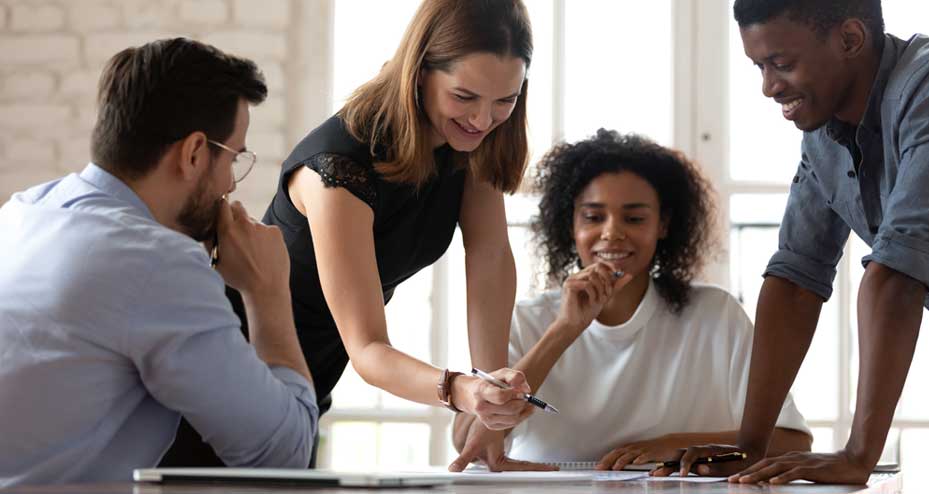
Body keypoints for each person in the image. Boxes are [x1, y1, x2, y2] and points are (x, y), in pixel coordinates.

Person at [167, 0, 544, 471]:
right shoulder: (338, 168)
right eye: (464, 97)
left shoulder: (472, 145)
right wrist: (461, 391)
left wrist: (493, 394)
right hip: (224, 373)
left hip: (303, 380)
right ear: (419, 72)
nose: (483, 120)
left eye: (504, 101)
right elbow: (367, 349)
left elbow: (488, 257)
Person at [0, 38, 318, 487]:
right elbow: (283, 456)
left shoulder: (24, 210)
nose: (230, 182)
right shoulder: (155, 263)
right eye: (234, 157)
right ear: (192, 154)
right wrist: (267, 292)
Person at [450, 130, 812, 472]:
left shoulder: (715, 316)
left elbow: (792, 441)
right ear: (570, 225)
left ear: (664, 225)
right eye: (593, 217)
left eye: (635, 217)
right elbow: (467, 441)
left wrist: (675, 444)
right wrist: (564, 329)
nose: (612, 232)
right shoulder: (531, 318)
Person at [677, 0, 929, 485]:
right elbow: (795, 281)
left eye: (782, 64)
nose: (769, 87)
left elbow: (897, 274)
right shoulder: (823, 137)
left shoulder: (923, 89)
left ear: (850, 40)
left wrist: (857, 456)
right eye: (760, 67)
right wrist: (749, 447)